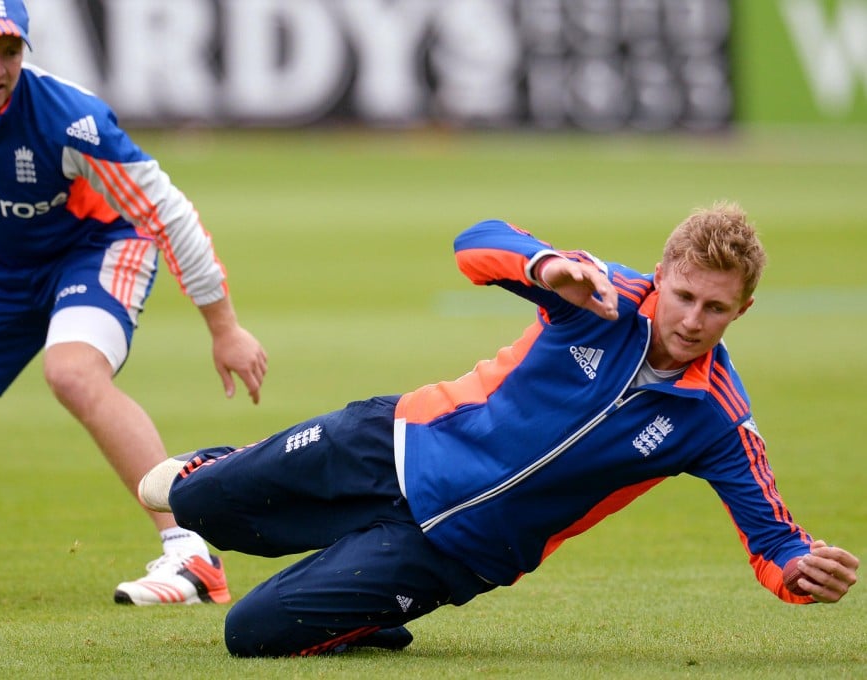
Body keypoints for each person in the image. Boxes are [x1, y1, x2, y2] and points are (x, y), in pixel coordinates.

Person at [135, 202, 859, 657]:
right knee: (191, 504)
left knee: (249, 636)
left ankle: (364, 609)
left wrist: (798, 575)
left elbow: (774, 543)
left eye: (716, 308)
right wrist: (547, 266)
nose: (693, 320)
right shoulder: (597, 291)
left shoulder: (718, 419)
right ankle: (232, 470)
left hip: (455, 554)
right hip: (390, 445)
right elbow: (474, 241)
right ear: (662, 273)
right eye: (685, 295)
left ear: (744, 311)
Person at [0, 0, 267, 605]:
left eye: (10, 51)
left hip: (101, 247)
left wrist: (223, 326)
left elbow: (165, 212)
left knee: (72, 372)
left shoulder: (69, 118)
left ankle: (191, 553)